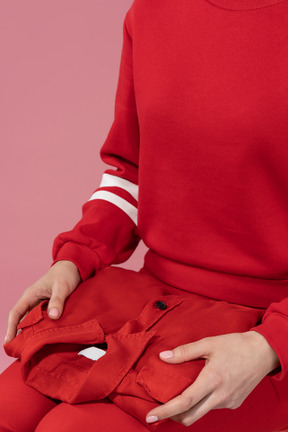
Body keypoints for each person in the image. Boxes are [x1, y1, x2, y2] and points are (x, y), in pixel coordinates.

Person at [1, 0, 288, 430]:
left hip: (262, 327)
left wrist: (271, 345)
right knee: (9, 409)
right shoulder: (153, 10)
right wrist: (75, 258)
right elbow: (133, 170)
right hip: (146, 301)